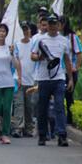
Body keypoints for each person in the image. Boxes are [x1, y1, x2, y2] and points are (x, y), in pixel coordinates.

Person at [31, 13, 74, 147]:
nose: (52, 26)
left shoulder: (64, 41)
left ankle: (61, 135)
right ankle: (42, 135)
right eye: (50, 24)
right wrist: (40, 58)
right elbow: (32, 55)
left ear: (58, 25)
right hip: (43, 78)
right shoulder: (40, 40)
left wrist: (71, 79)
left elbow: (67, 60)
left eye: (54, 23)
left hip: (59, 78)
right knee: (42, 107)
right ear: (47, 25)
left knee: (60, 106)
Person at [0, 23, 21, 144]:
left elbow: (16, 65)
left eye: (3, 31)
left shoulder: (10, 48)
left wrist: (12, 54)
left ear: (6, 34)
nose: (1, 33)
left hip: (8, 83)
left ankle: (5, 133)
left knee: (7, 109)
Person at [11, 21, 36, 138]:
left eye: (27, 29)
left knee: (29, 106)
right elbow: (15, 61)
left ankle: (29, 128)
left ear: (30, 31)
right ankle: (18, 128)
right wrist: (19, 77)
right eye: (23, 30)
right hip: (18, 79)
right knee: (19, 105)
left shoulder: (34, 43)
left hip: (31, 79)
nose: (25, 32)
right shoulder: (16, 45)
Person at [60, 16, 82, 125]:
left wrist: (76, 67)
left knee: (69, 96)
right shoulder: (56, 36)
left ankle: (70, 120)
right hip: (59, 72)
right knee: (59, 96)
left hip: (71, 71)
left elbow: (79, 53)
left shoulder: (73, 37)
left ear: (64, 24)